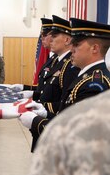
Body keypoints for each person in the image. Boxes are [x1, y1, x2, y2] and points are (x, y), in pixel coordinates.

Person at [20, 19, 110, 152]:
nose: (72, 49)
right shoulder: (85, 77)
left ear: (95, 48)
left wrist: (36, 122)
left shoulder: (95, 85)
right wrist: (45, 112)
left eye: (77, 44)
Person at [19, 15, 80, 151]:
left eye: (55, 36)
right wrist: (30, 94)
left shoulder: (71, 66)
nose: (50, 39)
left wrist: (41, 108)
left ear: (67, 40)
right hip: (44, 126)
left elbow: (66, 104)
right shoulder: (55, 60)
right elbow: (44, 88)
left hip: (53, 127)